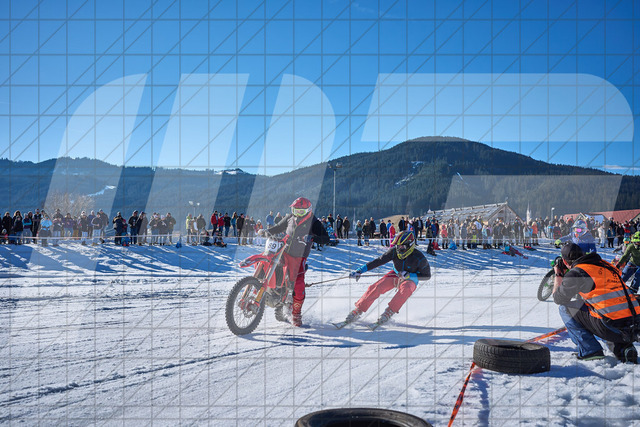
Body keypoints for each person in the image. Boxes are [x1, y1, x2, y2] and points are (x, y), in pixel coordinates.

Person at [553, 242, 639, 363]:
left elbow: (559, 299)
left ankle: (590, 350)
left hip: (611, 326)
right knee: (602, 308)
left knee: (565, 308)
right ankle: (623, 348)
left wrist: (558, 274)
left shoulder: (577, 272)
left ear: (564, 261)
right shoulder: (605, 265)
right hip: (634, 324)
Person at [259, 197, 329, 327]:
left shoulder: (314, 222)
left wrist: (311, 237)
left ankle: (296, 314)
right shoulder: (290, 217)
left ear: (308, 211)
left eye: (301, 211)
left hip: (299, 257)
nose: (297, 214)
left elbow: (326, 238)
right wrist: (267, 231)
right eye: (295, 210)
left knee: (298, 283)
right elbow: (279, 227)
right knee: (268, 263)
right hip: (283, 251)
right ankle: (264, 288)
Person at [340, 231, 431, 328]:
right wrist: (360, 271)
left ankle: (389, 312)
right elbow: (378, 261)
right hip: (396, 274)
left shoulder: (419, 258)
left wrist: (410, 275)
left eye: (402, 247)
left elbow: (427, 275)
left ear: (410, 245)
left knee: (406, 289)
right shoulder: (394, 251)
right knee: (377, 287)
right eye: (397, 246)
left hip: (411, 280)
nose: (399, 249)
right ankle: (358, 309)